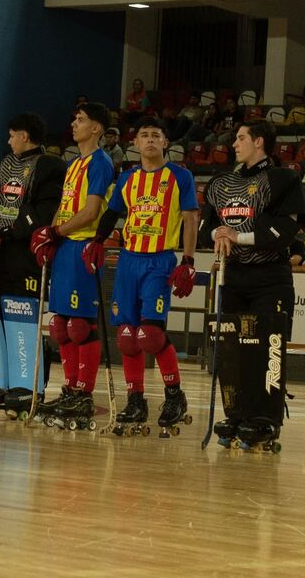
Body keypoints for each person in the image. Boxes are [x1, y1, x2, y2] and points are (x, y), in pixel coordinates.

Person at [82, 117, 198, 434]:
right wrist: (97, 240)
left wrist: (188, 260)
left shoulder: (179, 176)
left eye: (155, 135)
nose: (149, 139)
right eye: (143, 135)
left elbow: (191, 218)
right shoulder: (128, 178)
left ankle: (175, 395)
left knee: (151, 334)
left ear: (165, 143)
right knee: (127, 338)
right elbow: (112, 212)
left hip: (159, 261)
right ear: (135, 144)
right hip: (128, 261)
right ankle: (136, 400)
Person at [201, 120, 305, 447]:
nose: (234, 143)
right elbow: (207, 224)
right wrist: (216, 233)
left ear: (259, 142)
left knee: (266, 350)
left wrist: (239, 236)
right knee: (232, 350)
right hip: (233, 277)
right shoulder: (220, 184)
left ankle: (266, 418)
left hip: (270, 278)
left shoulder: (283, 179)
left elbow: (284, 234)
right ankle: (236, 413)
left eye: (241, 137)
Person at [0, 112, 66, 416]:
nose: (8, 140)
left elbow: (46, 209)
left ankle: (29, 385)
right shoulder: (7, 165)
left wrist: (14, 229)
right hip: (5, 250)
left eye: (12, 134)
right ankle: (3, 382)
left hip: (30, 250)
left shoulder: (50, 166)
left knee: (21, 311)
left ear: (25, 135)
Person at [28, 101, 114, 428]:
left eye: (81, 120)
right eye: (74, 118)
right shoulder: (73, 163)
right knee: (60, 325)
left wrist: (57, 231)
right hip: (64, 246)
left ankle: (84, 393)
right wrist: (48, 235)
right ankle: (69, 389)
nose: (74, 124)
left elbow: (92, 212)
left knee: (80, 325)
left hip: (83, 246)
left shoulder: (100, 163)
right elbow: (66, 207)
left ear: (96, 128)